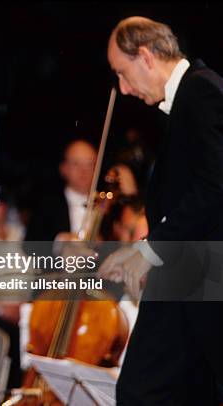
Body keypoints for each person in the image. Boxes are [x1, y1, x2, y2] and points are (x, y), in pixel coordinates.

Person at [99, 17, 223, 404]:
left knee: (142, 390)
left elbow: (216, 185)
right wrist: (142, 252)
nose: (122, 88)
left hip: (200, 276)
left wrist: (151, 251)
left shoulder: (202, 92)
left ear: (147, 57)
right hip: (191, 276)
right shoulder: (193, 95)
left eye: (122, 73)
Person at [24, 139, 96, 242]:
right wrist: (60, 241)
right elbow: (31, 244)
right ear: (63, 168)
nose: (83, 171)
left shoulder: (106, 204)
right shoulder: (47, 204)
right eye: (76, 164)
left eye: (90, 164)